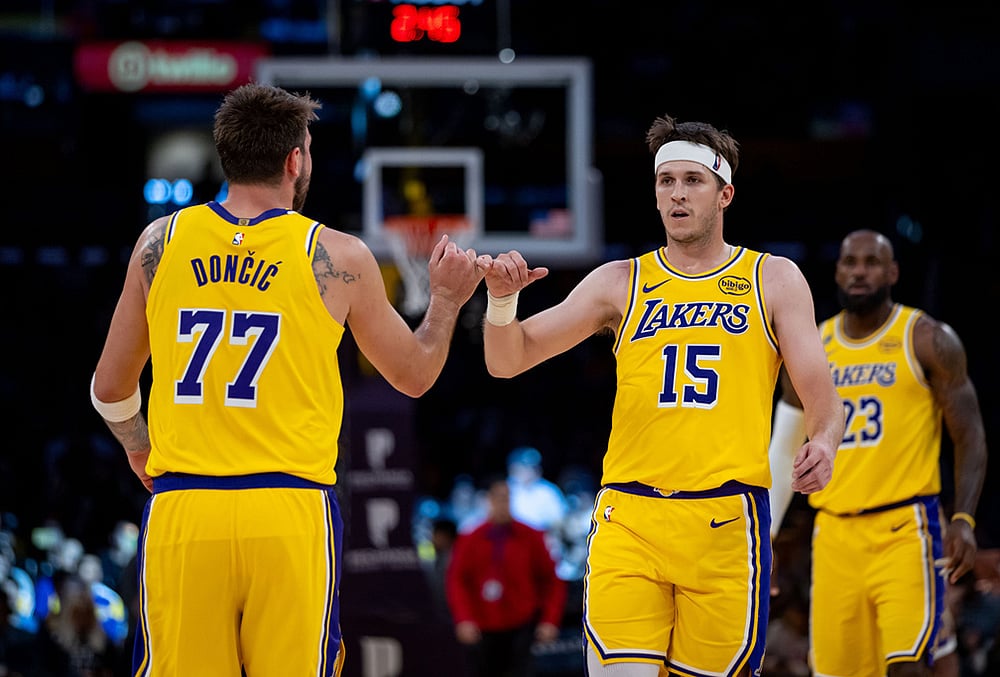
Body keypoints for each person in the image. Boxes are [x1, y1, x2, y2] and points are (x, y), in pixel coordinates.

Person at [90, 82, 488, 676]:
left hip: (186, 510)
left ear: (227, 155)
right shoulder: (338, 257)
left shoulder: (159, 243)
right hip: (288, 511)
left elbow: (110, 388)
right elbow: (414, 375)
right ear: (294, 159)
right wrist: (447, 302)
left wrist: (138, 448)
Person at [480, 113, 844, 676]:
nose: (677, 193)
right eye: (665, 180)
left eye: (692, 180)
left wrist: (823, 441)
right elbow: (507, 361)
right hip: (631, 518)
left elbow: (822, 394)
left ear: (725, 193)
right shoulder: (619, 281)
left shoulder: (772, 278)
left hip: (725, 523)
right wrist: (502, 303)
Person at [768, 229, 988, 676]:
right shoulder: (813, 347)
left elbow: (971, 436)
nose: (860, 272)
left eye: (872, 263)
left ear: (892, 272)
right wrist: (764, 536)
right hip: (832, 534)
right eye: (850, 262)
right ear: (837, 272)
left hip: (905, 529)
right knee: (834, 671)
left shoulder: (927, 337)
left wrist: (964, 519)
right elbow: (784, 449)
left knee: (909, 665)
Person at [445, 475, 567, 677]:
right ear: (488, 500)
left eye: (507, 497)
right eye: (498, 497)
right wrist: (463, 618)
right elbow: (457, 581)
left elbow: (552, 580)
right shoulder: (471, 538)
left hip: (521, 625)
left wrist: (550, 620)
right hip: (482, 627)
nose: (503, 503)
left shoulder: (531, 535)